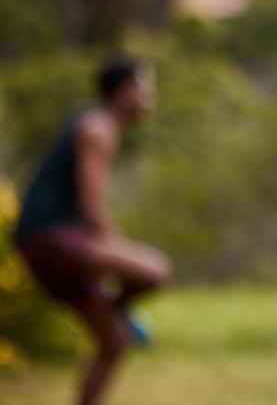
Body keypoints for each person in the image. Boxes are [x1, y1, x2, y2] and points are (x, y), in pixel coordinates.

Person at [14, 60, 171, 405]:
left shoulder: (98, 125)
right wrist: (119, 251)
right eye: (146, 87)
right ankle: (120, 310)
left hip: (48, 242)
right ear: (124, 92)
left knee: (114, 341)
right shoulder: (98, 128)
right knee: (154, 269)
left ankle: (116, 316)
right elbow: (91, 210)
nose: (151, 97)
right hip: (50, 238)